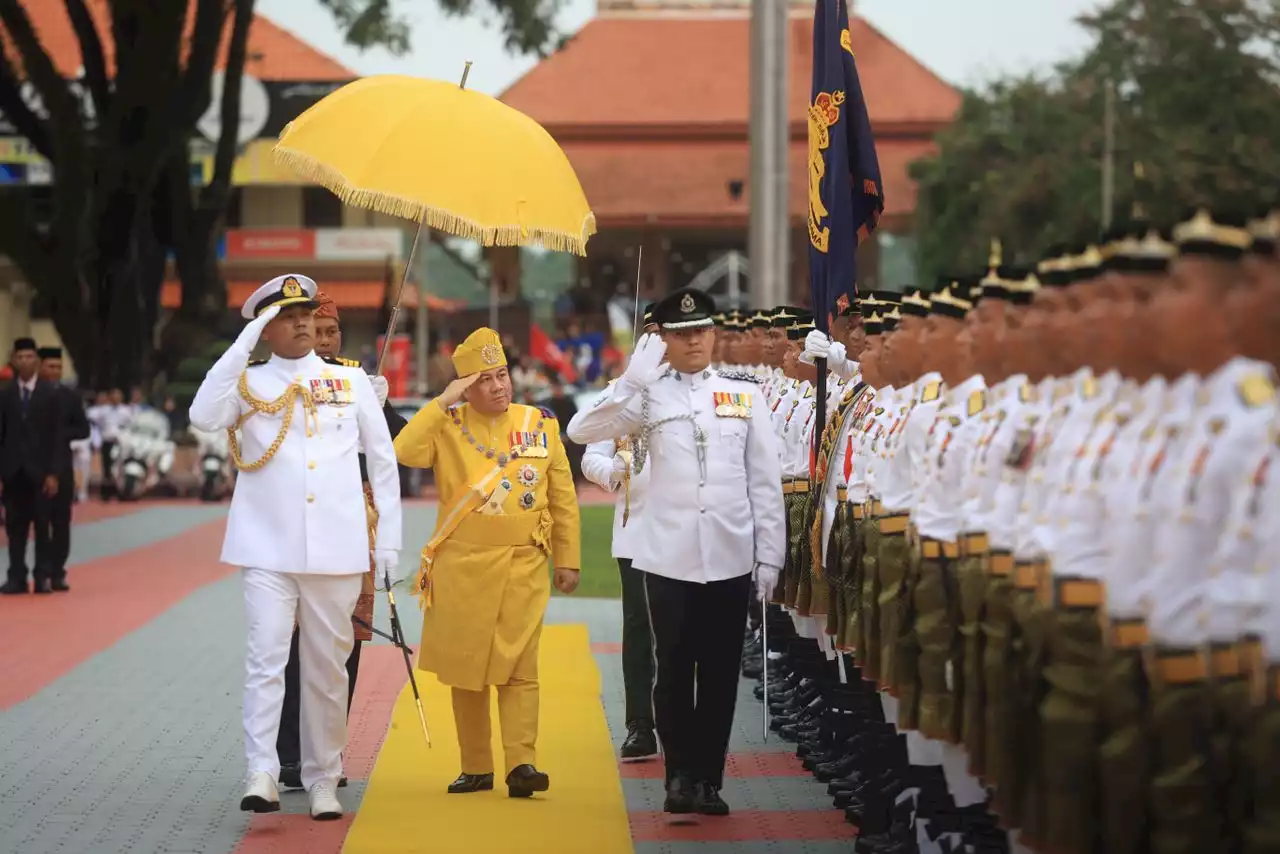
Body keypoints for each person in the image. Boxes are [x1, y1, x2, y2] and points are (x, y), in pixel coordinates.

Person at [188, 273, 403, 821]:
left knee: (328, 668)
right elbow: (203, 416)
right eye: (287, 316)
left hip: (337, 547)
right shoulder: (249, 381)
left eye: (306, 313)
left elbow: (382, 463)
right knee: (266, 659)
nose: (303, 322)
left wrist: (390, 545)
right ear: (265, 327)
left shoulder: (350, 384)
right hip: (266, 546)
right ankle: (261, 769)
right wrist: (242, 346)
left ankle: (323, 777)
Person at [566, 286, 786, 817]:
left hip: (730, 554)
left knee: (718, 674)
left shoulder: (743, 395)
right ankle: (679, 775)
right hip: (666, 556)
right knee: (673, 671)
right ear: (662, 339)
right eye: (683, 334)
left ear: (713, 335)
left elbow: (764, 481)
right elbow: (581, 431)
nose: (695, 342)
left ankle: (708, 779)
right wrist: (630, 382)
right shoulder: (645, 394)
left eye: (702, 331)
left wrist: (770, 555)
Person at [392, 327, 582, 798]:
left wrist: (569, 558)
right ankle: (476, 766)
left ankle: (522, 763)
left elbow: (563, 496)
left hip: (524, 564)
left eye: (502, 376)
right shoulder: (448, 425)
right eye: (485, 380)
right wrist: (442, 401)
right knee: (468, 667)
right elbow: (403, 451)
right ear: (465, 387)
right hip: (462, 567)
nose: (499, 386)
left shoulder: (540, 423)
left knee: (521, 665)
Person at [275, 291, 405, 790]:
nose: (325, 341)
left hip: (355, 517)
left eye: (332, 333)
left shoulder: (355, 380)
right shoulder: (284, 378)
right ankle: (289, 754)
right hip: (299, 517)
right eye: (317, 331)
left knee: (346, 637)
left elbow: (396, 446)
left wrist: (382, 405)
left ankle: (326, 752)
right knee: (291, 640)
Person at [580, 302, 659, 760]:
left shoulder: (699, 394)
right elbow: (589, 454)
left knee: (681, 630)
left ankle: (677, 719)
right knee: (638, 628)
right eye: (651, 337)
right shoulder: (618, 393)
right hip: (635, 527)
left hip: (687, 530)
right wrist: (616, 470)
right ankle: (640, 725)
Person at [0, 337, 68, 595]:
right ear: (14, 361)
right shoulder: (5, 395)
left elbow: (56, 436)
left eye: (30, 357)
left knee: (42, 527)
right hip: (13, 472)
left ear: (37, 361)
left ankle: (42, 576)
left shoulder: (50, 395)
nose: (26, 361)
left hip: (41, 473)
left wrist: (53, 472)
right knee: (15, 528)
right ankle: (16, 576)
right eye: (21, 357)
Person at [37, 347, 90, 590]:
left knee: (61, 522)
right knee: (38, 521)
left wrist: (58, 434)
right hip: (34, 466)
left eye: (58, 367)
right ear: (40, 367)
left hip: (62, 465)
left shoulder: (70, 396)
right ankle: (40, 571)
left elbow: (83, 430)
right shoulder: (30, 395)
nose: (55, 371)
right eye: (50, 366)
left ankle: (57, 571)